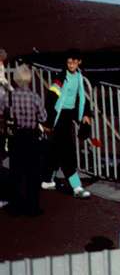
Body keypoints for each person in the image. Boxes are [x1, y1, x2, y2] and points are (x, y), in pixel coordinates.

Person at [42, 48, 92, 198]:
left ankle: (47, 180)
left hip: (68, 116)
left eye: (74, 63)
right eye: (69, 63)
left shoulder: (79, 77)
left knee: (58, 151)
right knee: (68, 151)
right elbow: (50, 101)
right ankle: (76, 186)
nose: (71, 65)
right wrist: (49, 123)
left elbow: (81, 97)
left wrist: (85, 115)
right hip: (60, 117)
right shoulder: (60, 79)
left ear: (79, 62)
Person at [1, 65, 48, 217]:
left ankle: (14, 205)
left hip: (15, 136)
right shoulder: (34, 97)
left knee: (16, 171)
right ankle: (32, 206)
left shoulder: (8, 97)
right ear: (29, 80)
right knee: (32, 172)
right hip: (31, 136)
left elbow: (1, 112)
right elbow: (43, 117)